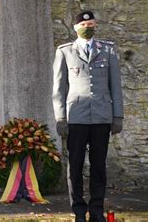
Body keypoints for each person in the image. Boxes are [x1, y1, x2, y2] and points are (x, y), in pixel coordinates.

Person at [52, 11, 123, 222]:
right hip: (76, 117)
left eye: (91, 23)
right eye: (84, 24)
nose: (88, 27)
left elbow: (115, 86)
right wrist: (60, 118)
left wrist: (117, 116)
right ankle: (79, 211)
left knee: (99, 166)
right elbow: (59, 89)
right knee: (74, 165)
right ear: (75, 28)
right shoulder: (65, 52)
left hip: (101, 117)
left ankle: (97, 210)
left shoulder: (108, 50)